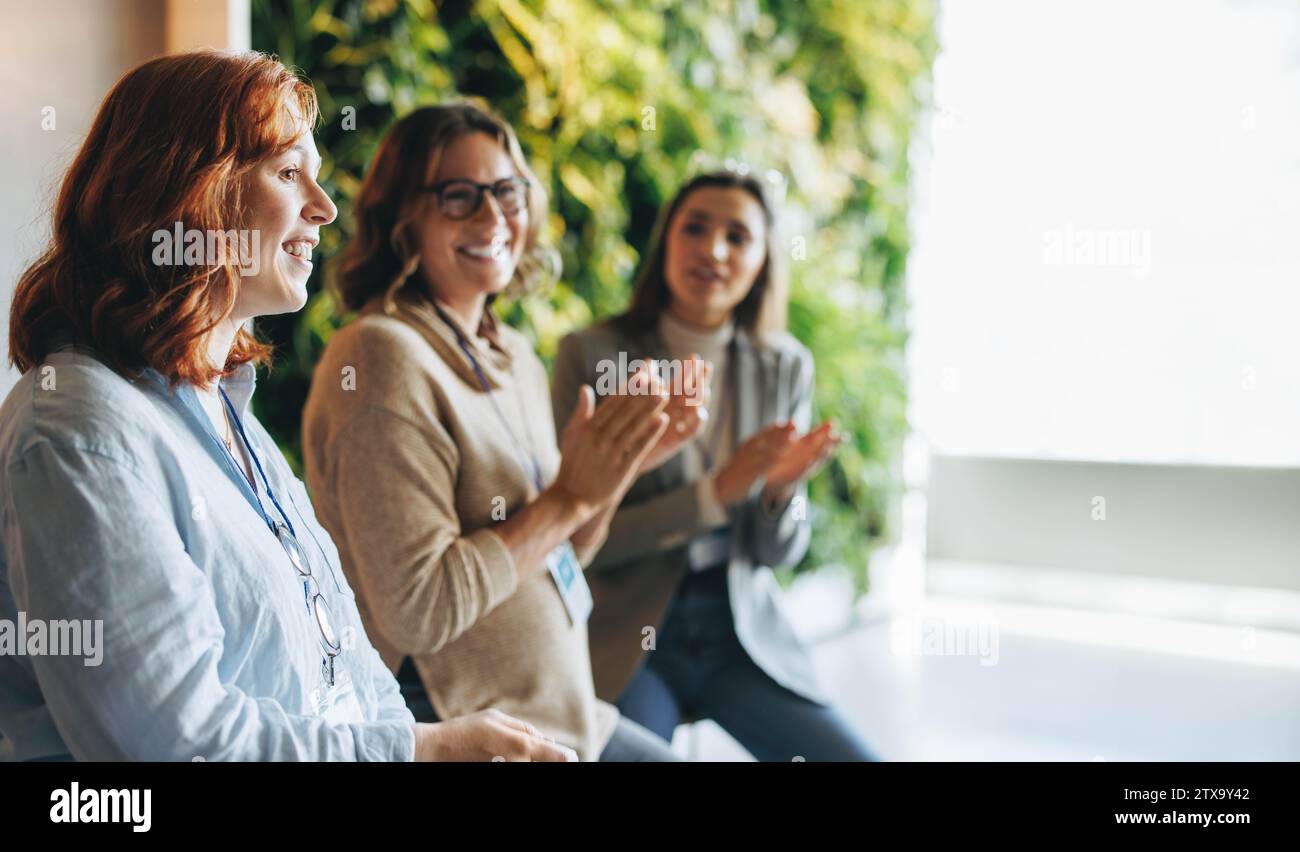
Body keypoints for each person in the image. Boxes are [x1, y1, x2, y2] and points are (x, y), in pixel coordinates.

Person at [0, 51, 571, 762]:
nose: (325, 208)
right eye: (289, 172)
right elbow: (168, 746)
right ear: (188, 189)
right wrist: (423, 754)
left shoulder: (222, 407)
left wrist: (418, 747)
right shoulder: (80, 429)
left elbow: (354, 673)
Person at [301, 102, 705, 761]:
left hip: (566, 713)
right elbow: (417, 612)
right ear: (402, 215)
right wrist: (568, 498)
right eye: (458, 197)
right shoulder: (379, 356)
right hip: (466, 728)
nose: (492, 218)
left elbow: (561, 550)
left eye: (507, 192)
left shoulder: (510, 351)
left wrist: (620, 464)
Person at [551, 169, 877, 761]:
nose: (712, 250)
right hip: (630, 636)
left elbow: (778, 554)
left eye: (738, 236)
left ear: (761, 262)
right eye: (694, 228)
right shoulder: (593, 355)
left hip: (741, 636)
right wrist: (717, 492)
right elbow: (575, 535)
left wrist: (779, 495)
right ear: (666, 242)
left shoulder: (784, 366)